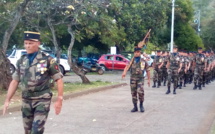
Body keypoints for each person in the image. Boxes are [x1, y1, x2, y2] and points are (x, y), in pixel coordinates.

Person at [3, 31, 64, 134]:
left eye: (30, 43)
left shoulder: (47, 60)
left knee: (36, 131)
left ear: (38, 43)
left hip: (42, 100)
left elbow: (59, 79)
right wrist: (7, 100)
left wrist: (59, 99)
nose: (27, 46)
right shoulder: (22, 60)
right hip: (26, 100)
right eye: (26, 43)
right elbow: (15, 81)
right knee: (27, 131)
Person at [122, 47, 150, 113]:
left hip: (140, 79)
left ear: (140, 53)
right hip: (133, 79)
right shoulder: (131, 60)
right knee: (133, 93)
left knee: (140, 92)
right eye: (135, 52)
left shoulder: (143, 60)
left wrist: (148, 79)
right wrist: (124, 72)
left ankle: (141, 105)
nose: (136, 53)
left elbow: (148, 70)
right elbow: (127, 67)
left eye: (138, 52)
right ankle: (135, 107)